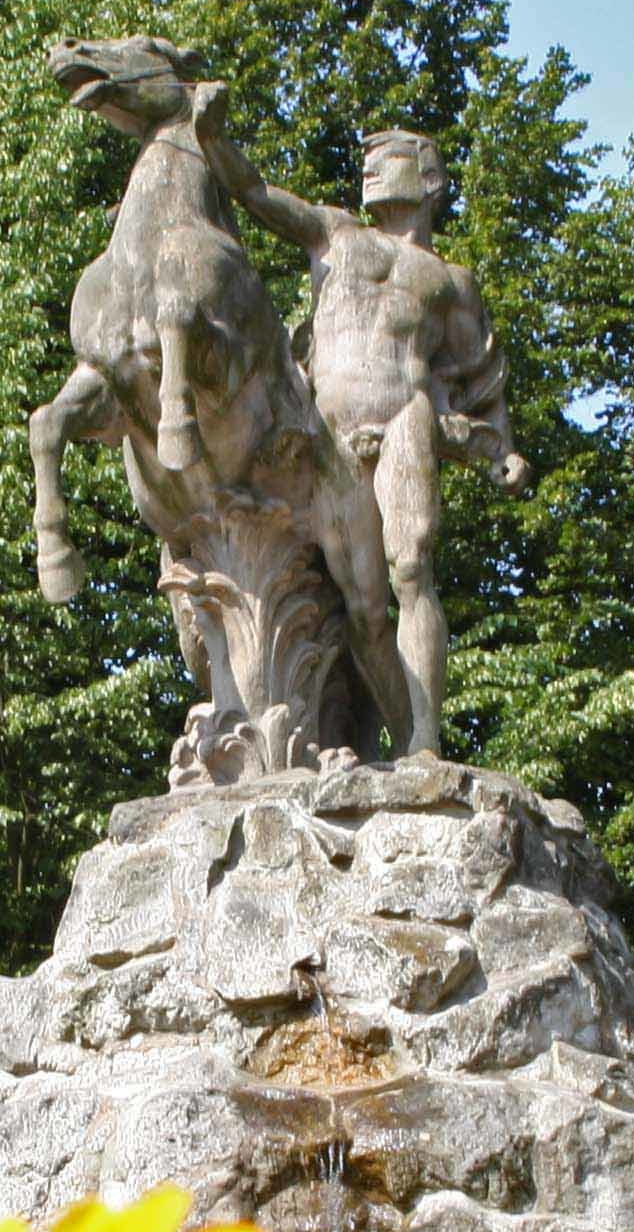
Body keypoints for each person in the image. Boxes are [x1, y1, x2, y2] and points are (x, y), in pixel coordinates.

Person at [192, 93, 529, 758]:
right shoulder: (335, 234)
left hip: (406, 423)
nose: (370, 168)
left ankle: (425, 742)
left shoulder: (449, 283)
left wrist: (502, 451)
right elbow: (256, 192)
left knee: (413, 568)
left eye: (390, 158)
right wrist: (210, 138)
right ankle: (389, 734)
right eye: (366, 160)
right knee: (365, 611)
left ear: (430, 180)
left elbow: (479, 378)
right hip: (328, 443)